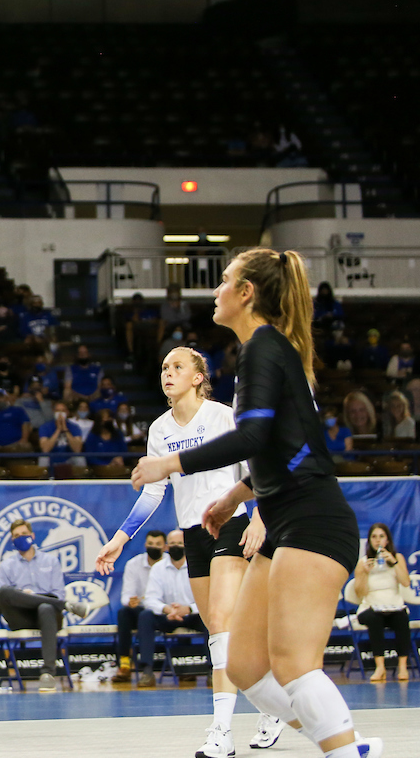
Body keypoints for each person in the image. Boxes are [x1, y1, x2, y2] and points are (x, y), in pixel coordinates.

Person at [131, 248, 383, 758]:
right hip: (286, 522)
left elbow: (252, 437)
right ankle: (350, 746)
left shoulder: (265, 347)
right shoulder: (261, 352)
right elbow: (280, 449)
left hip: (313, 520)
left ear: (247, 293)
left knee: (292, 663)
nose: (217, 290)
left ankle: (346, 750)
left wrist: (170, 464)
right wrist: (234, 497)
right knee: (245, 666)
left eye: (224, 281)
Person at [97, 346, 281, 756]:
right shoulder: (160, 428)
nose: (168, 373)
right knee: (219, 631)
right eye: (164, 367)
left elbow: (260, 468)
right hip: (192, 533)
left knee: (220, 619)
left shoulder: (223, 415)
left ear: (198, 377)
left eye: (178, 367)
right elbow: (153, 491)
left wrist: (260, 518)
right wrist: (120, 538)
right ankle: (271, 705)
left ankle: (221, 731)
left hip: (230, 525)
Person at [0, 518, 93, 692]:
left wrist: (37, 597)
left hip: (49, 617)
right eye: (16, 535)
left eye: (24, 534)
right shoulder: (7, 565)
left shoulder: (50, 561)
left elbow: (58, 592)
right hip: (20, 616)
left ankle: (48, 673)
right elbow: (1, 598)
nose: (20, 538)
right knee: (5, 592)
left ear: (32, 536)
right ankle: (66, 605)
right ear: (12, 540)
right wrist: (23, 595)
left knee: (45, 607)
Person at [135, 529, 207, 685]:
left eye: (180, 543)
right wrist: (167, 609)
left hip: (193, 615)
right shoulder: (158, 568)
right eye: (173, 544)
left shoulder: (198, 566)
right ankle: (147, 671)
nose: (176, 547)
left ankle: (213, 670)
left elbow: (208, 598)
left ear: (187, 545)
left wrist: (188, 609)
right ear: (167, 547)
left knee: (212, 618)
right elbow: (150, 599)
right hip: (168, 616)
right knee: (145, 616)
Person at [352, 523, 411, 682]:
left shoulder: (397, 558)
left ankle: (403, 667)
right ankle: (380, 667)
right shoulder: (363, 562)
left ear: (387, 540)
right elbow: (360, 594)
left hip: (393, 605)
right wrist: (364, 573)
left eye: (381, 536)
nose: (378, 540)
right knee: (374, 619)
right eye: (374, 537)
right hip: (370, 606)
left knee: (402, 618)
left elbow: (406, 583)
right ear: (369, 540)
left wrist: (394, 562)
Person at [112, 530, 166, 681]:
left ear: (165, 547)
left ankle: (186, 665)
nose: (153, 547)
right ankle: (124, 663)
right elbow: (126, 595)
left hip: (165, 611)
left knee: (146, 615)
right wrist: (130, 601)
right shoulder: (134, 564)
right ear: (145, 545)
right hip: (143, 611)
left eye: (158, 544)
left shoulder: (169, 564)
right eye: (150, 544)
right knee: (125, 612)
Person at [37, 401, 83, 465]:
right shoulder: (45, 427)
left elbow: (77, 449)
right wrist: (58, 430)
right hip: (52, 458)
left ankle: (81, 475)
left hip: (69, 458)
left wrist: (65, 429)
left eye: (63, 411)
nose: (60, 414)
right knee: (43, 458)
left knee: (80, 458)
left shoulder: (74, 427)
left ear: (67, 412)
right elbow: (45, 449)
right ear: (54, 412)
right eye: (57, 411)